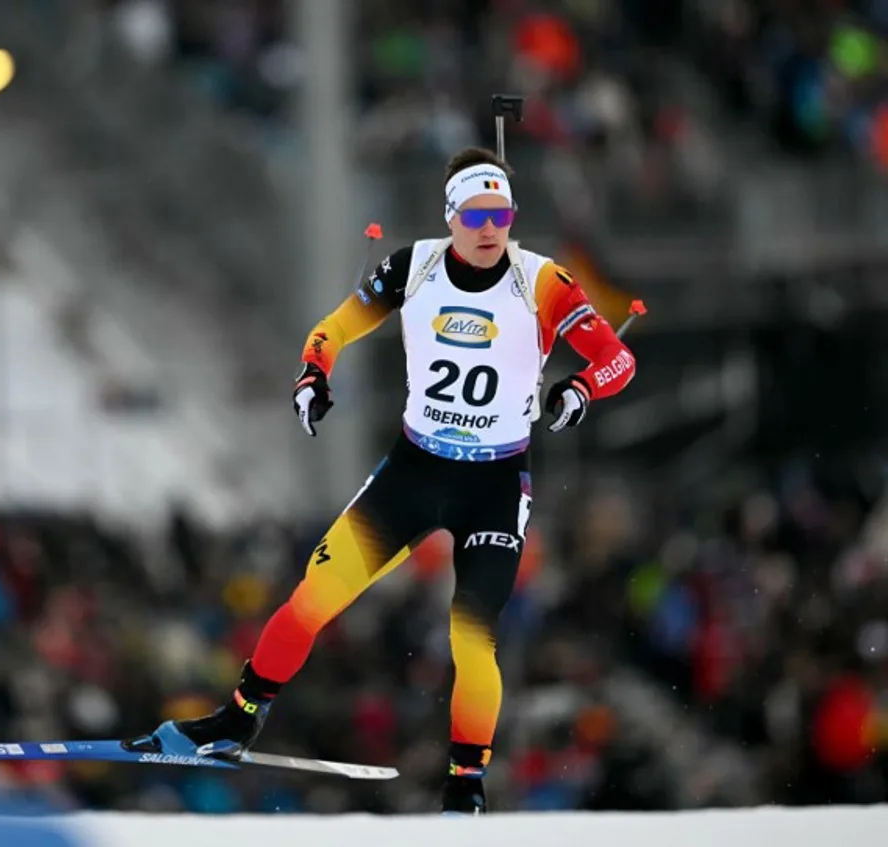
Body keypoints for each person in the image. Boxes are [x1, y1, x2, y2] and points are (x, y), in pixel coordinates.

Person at [125, 147, 638, 814]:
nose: (491, 228)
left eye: (502, 213)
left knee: (470, 635)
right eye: (477, 213)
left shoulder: (542, 281)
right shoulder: (414, 266)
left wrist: (579, 390)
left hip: (494, 481)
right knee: (316, 592)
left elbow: (617, 357)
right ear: (450, 215)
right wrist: (313, 376)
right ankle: (236, 719)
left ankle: (465, 785)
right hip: (414, 468)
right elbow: (332, 329)